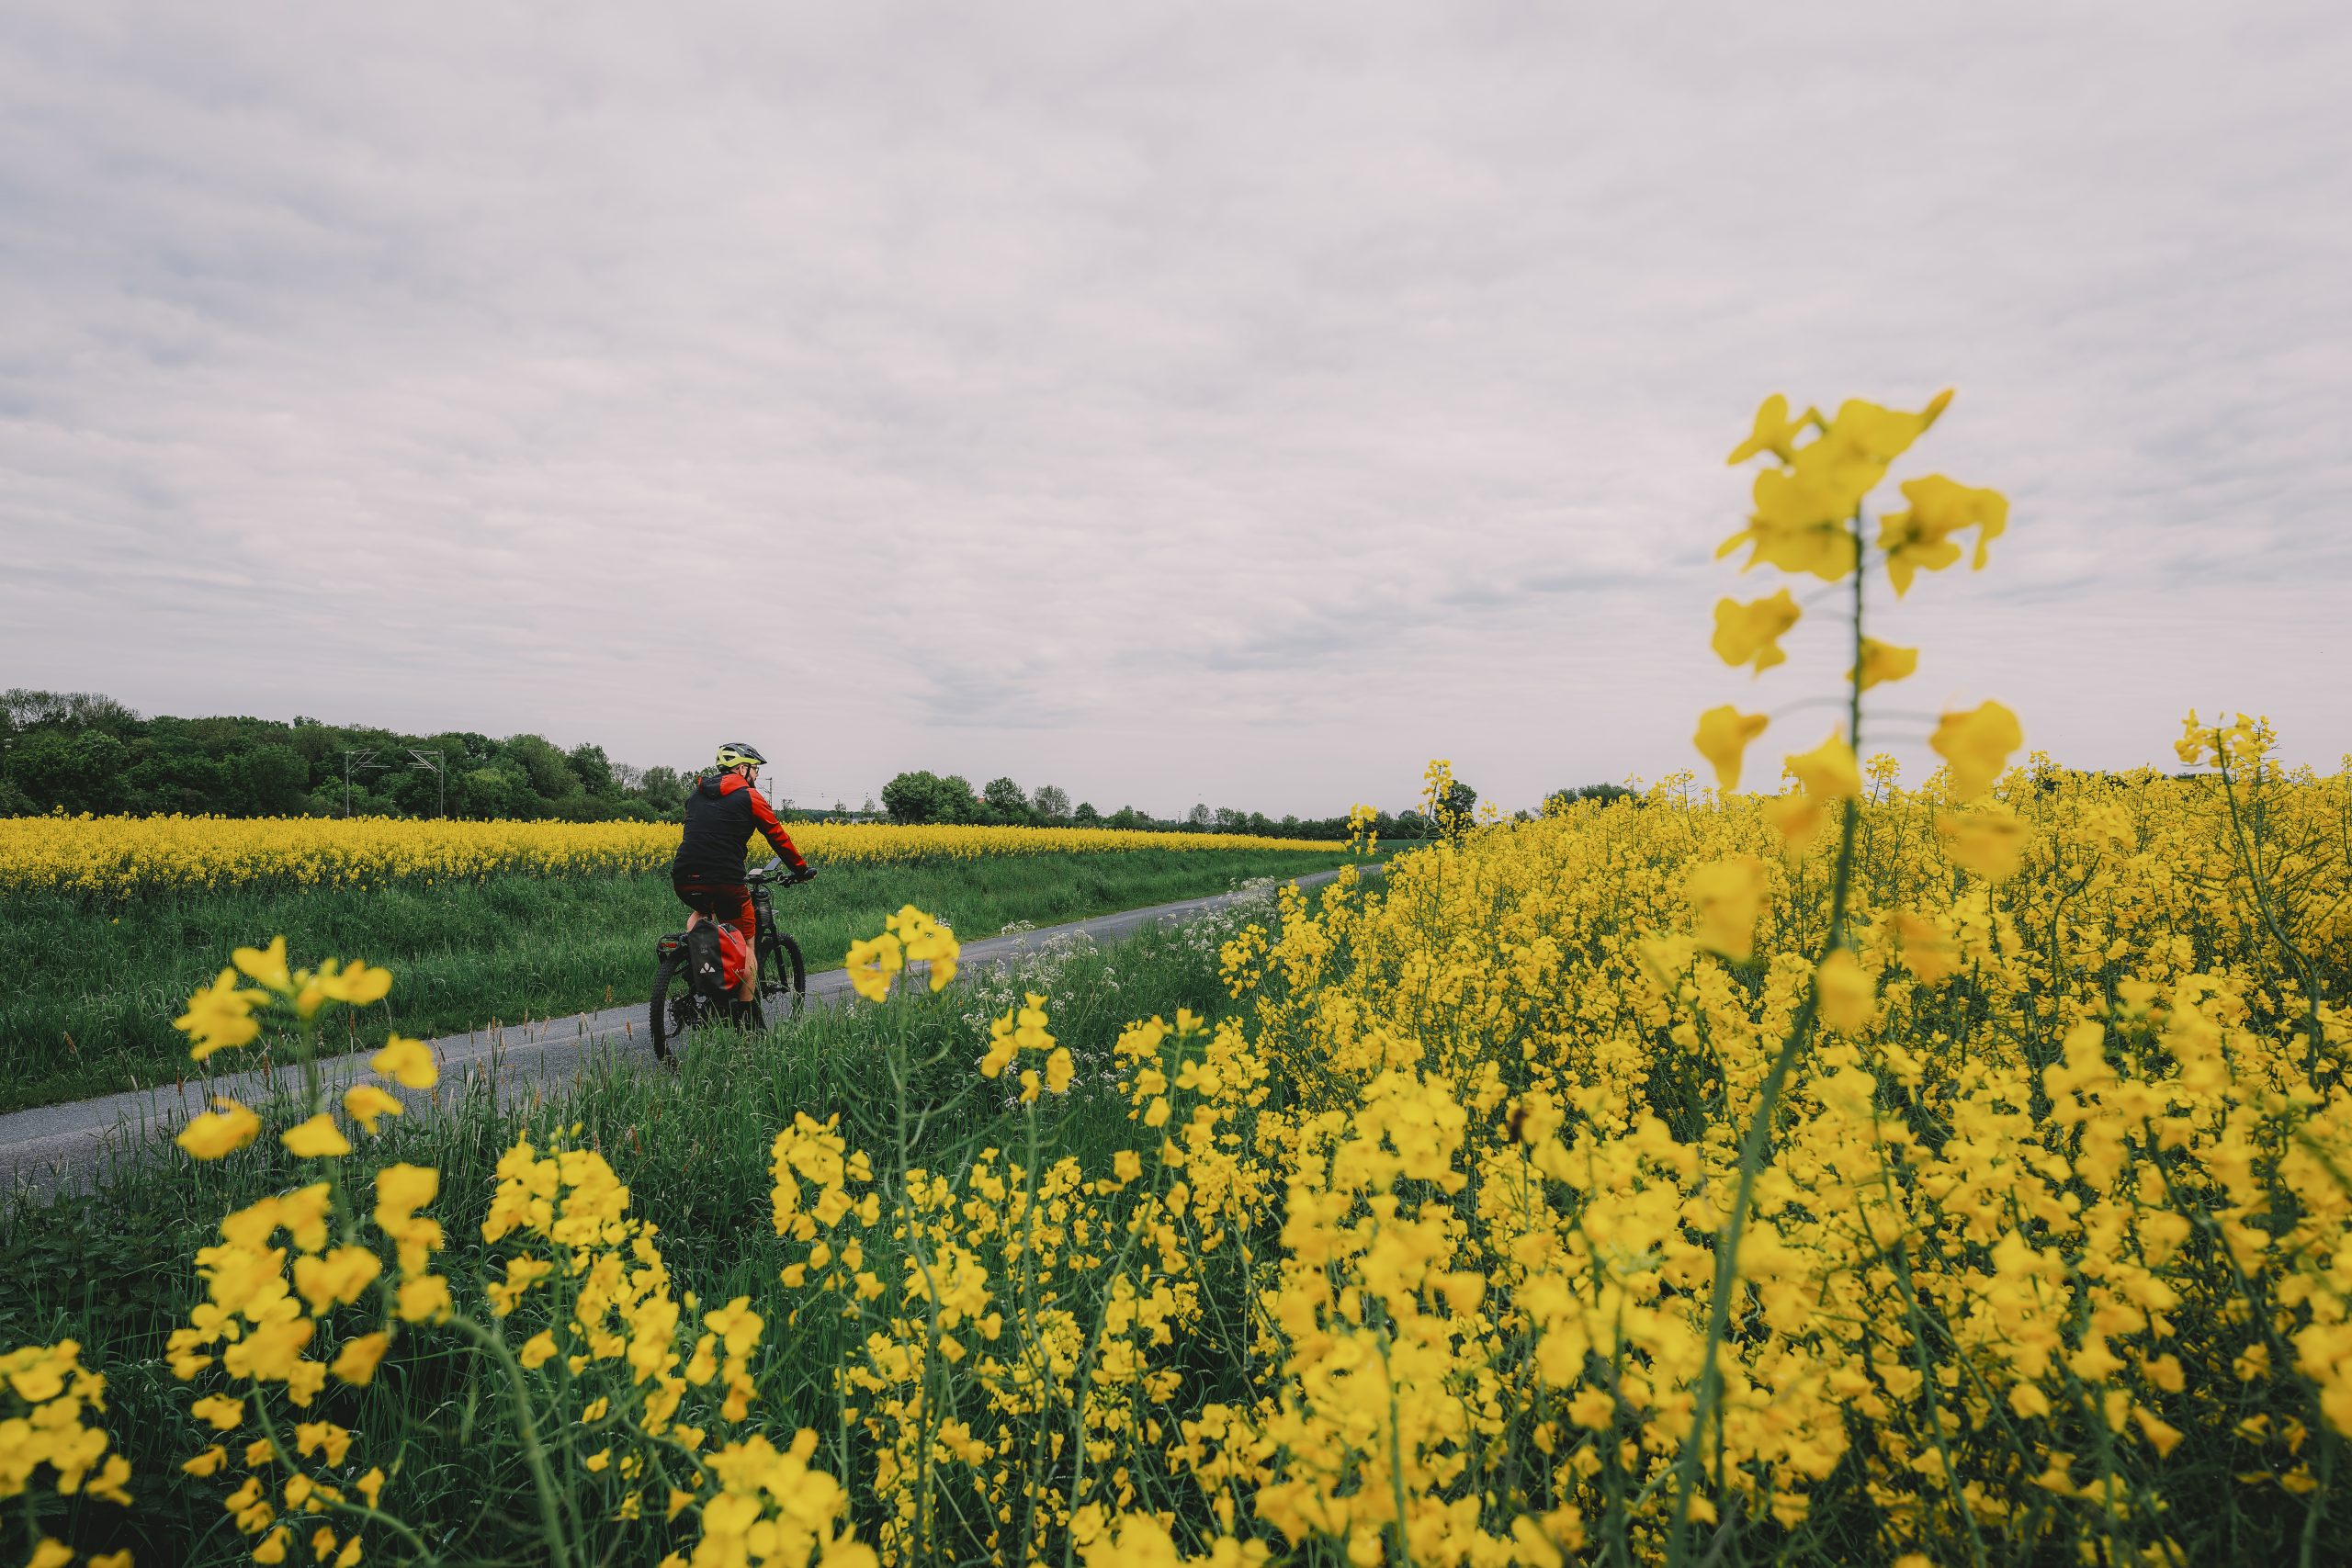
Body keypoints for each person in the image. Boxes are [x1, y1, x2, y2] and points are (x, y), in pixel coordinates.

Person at [671, 741, 813, 1021]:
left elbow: (699, 834)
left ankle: (699, 972)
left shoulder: (695, 795)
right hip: (725, 881)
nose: (757, 776)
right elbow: (777, 835)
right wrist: (800, 869)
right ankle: (748, 1027)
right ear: (741, 768)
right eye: (755, 770)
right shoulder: (749, 796)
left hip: (684, 878)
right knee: (747, 945)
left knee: (701, 917)